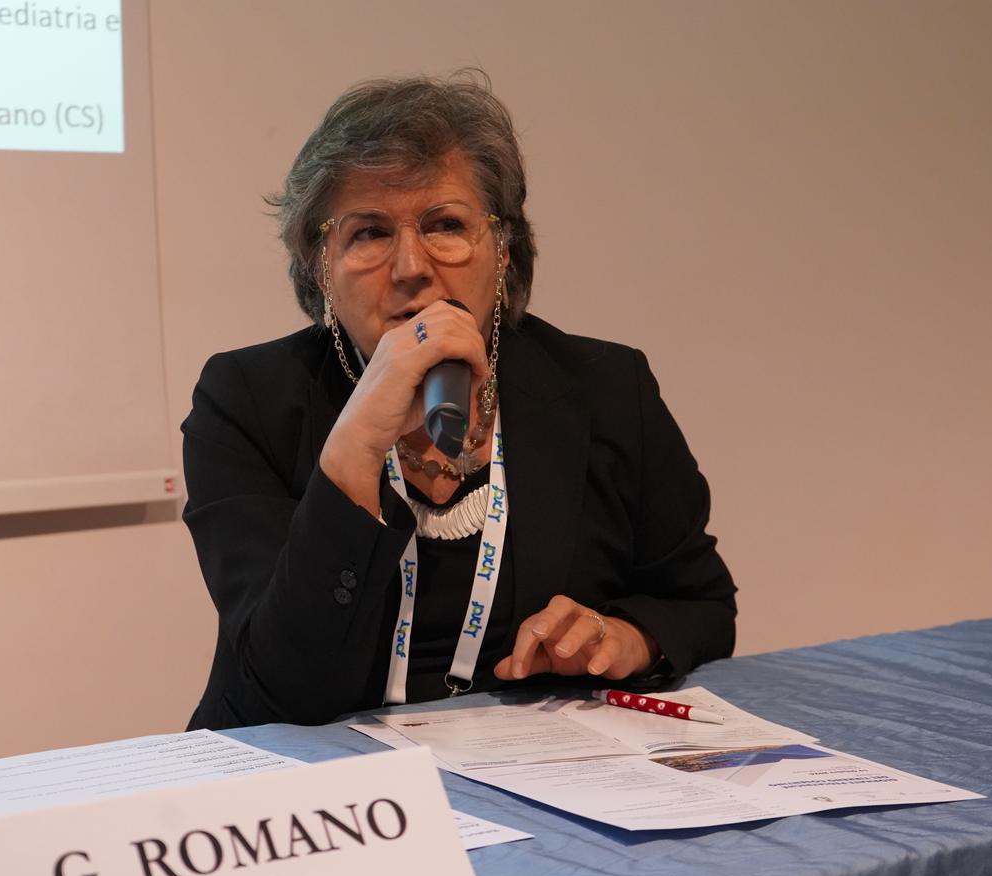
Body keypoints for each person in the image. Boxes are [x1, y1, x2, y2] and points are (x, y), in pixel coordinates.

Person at [181, 72, 736, 731]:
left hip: (531, 766)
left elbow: (701, 604)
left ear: (503, 250)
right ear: (319, 264)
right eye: (369, 232)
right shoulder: (244, 400)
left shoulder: (607, 386)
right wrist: (358, 442)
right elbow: (281, 687)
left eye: (445, 225)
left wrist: (626, 637)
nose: (411, 266)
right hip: (311, 774)